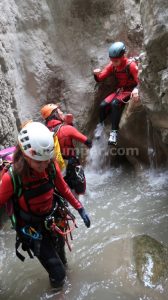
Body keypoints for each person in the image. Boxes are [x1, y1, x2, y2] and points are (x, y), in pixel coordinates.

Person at [0, 121, 90, 289]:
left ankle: (64, 289)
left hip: (54, 220)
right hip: (32, 230)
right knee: (58, 272)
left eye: (46, 161)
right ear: (27, 156)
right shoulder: (11, 178)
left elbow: (63, 188)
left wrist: (80, 208)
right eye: (39, 163)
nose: (43, 166)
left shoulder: (49, 165)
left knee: (62, 262)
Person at [40, 103, 92, 197]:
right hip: (72, 167)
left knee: (66, 194)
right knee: (81, 195)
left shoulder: (44, 133)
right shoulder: (66, 129)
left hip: (56, 170)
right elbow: (87, 142)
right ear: (55, 114)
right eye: (60, 111)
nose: (62, 113)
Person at [93, 41, 139, 145]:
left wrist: (136, 89)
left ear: (123, 56)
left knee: (115, 104)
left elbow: (139, 80)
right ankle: (100, 125)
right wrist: (96, 74)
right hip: (120, 90)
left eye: (116, 60)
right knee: (102, 105)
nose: (113, 62)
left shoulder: (131, 65)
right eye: (112, 60)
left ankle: (114, 133)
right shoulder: (112, 65)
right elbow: (100, 78)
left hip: (129, 90)